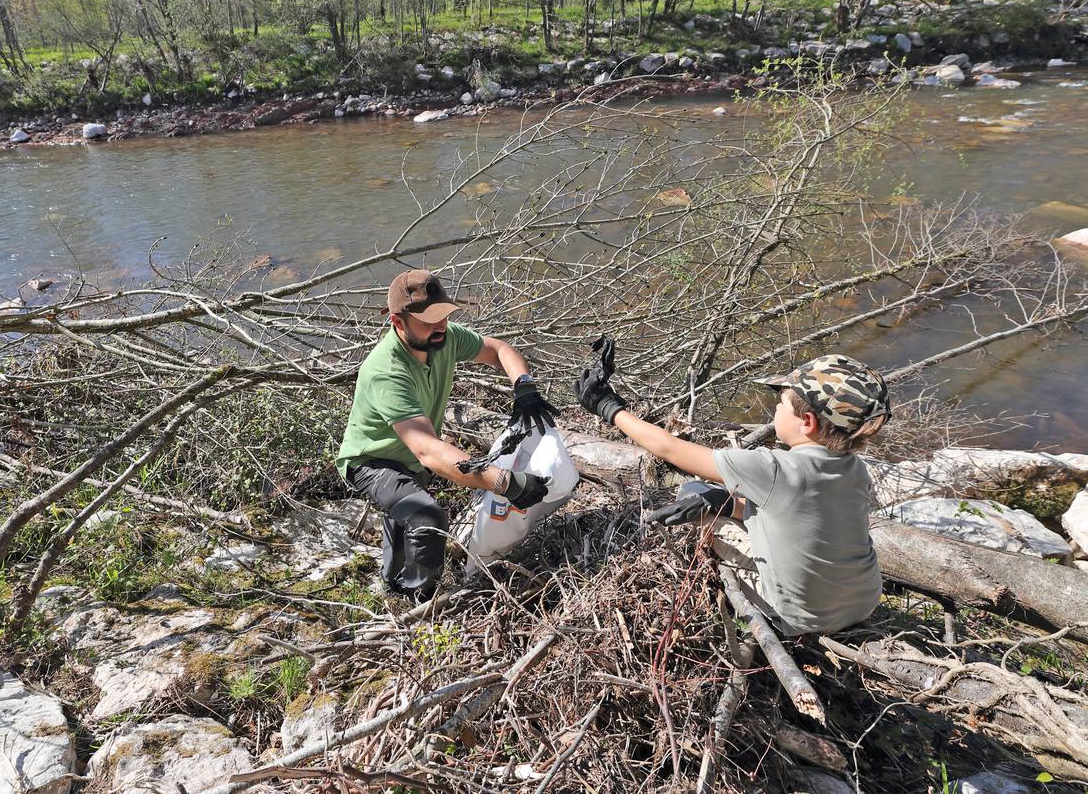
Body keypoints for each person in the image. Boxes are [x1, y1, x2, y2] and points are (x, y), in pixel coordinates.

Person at [575, 343, 890, 636]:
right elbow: (797, 518)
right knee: (712, 498)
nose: (775, 409)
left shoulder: (774, 468)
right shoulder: (854, 469)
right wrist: (725, 503)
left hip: (803, 617)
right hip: (864, 601)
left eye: (780, 403)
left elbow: (668, 448)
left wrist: (607, 406)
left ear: (806, 422)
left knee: (691, 492)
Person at [337, 270, 559, 602]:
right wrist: (504, 481)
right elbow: (428, 450)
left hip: (410, 458)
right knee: (427, 519)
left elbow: (498, 350)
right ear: (399, 323)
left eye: (443, 316)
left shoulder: (444, 337)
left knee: (404, 518)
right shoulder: (386, 371)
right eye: (429, 320)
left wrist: (524, 387)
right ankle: (417, 601)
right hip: (371, 461)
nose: (440, 325)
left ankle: (389, 585)